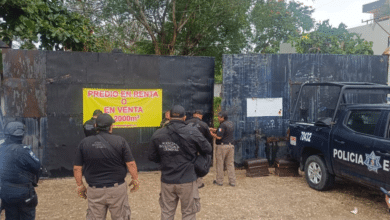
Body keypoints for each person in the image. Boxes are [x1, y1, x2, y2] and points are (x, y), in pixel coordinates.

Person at [148, 105, 212, 220]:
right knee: (189, 213)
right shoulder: (192, 131)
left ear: (169, 117)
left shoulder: (158, 133)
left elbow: (152, 157)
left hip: (167, 180)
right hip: (187, 179)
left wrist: (166, 159)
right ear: (184, 117)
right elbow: (208, 149)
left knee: (167, 212)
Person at [73, 113, 140, 220]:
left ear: (95, 126)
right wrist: (135, 179)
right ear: (111, 127)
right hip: (117, 190)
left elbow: (77, 168)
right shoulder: (120, 141)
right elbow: (130, 163)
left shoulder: (84, 143)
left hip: (95, 190)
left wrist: (80, 185)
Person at [0, 121, 41, 220]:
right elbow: (37, 167)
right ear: (21, 135)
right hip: (24, 194)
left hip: (7, 193)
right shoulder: (24, 150)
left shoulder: (1, 149)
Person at [186, 110, 213, 189]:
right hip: (199, 149)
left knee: (188, 163)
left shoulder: (186, 123)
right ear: (200, 116)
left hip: (188, 148)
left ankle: (188, 182)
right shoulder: (204, 124)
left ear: (194, 115)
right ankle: (198, 183)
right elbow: (209, 138)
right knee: (199, 164)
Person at [210, 111, 236, 187]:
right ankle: (232, 181)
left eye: (219, 117)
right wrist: (213, 129)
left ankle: (219, 181)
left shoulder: (222, 125)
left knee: (220, 164)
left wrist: (211, 134)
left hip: (222, 147)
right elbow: (223, 132)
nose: (218, 118)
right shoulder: (230, 123)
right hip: (230, 146)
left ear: (223, 118)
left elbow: (219, 137)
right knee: (230, 164)